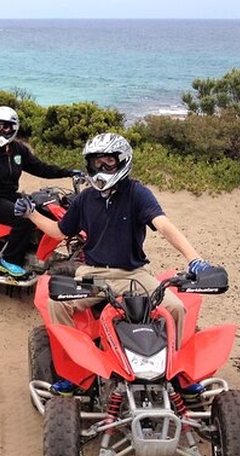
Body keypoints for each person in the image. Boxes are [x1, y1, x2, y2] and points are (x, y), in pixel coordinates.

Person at [16, 132, 213, 398]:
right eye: (96, 163)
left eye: (108, 162)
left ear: (122, 161)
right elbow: (58, 231)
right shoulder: (85, 199)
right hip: (93, 274)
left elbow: (164, 225)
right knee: (56, 302)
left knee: (176, 308)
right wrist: (30, 214)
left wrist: (194, 258)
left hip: (134, 274)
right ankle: (74, 373)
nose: (101, 169)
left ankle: (177, 374)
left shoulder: (137, 193)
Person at [0, 106, 80, 278]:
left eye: (6, 127)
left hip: (9, 195)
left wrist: (68, 172)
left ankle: (34, 252)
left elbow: (41, 168)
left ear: (14, 127)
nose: (1, 131)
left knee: (42, 210)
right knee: (25, 218)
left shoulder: (18, 150)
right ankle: (9, 260)